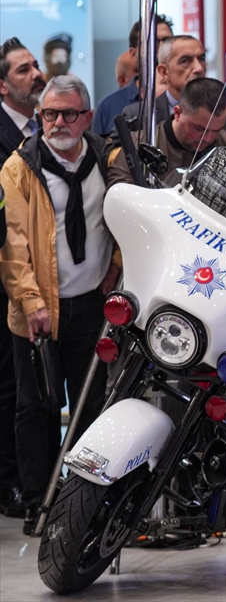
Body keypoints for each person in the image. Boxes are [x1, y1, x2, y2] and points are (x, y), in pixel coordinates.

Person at [0, 75, 120, 534]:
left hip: (92, 305)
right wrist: (31, 302)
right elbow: (11, 244)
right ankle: (37, 502)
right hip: (37, 309)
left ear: (87, 117)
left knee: (91, 406)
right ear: (40, 117)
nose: (59, 122)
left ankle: (80, 502)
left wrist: (115, 270)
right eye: (50, 113)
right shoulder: (19, 168)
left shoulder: (109, 160)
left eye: (70, 113)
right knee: (36, 409)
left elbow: (130, 219)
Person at [0, 43, 44, 519]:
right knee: (12, 388)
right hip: (6, 276)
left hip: (46, 278)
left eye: (35, 67)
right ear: (2, 84)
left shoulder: (46, 131)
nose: (35, 75)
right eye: (24, 69)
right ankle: (10, 482)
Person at [107, 77, 226, 187]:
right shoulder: (137, 146)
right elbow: (117, 201)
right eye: (200, 129)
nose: (208, 138)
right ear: (178, 113)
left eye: (216, 130)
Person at [120, 36, 226, 140]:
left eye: (201, 59)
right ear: (164, 71)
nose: (199, 68)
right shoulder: (139, 116)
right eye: (185, 61)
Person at [93, 16, 174, 135]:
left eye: (167, 42)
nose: (161, 47)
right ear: (133, 53)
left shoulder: (186, 100)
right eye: (152, 42)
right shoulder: (109, 106)